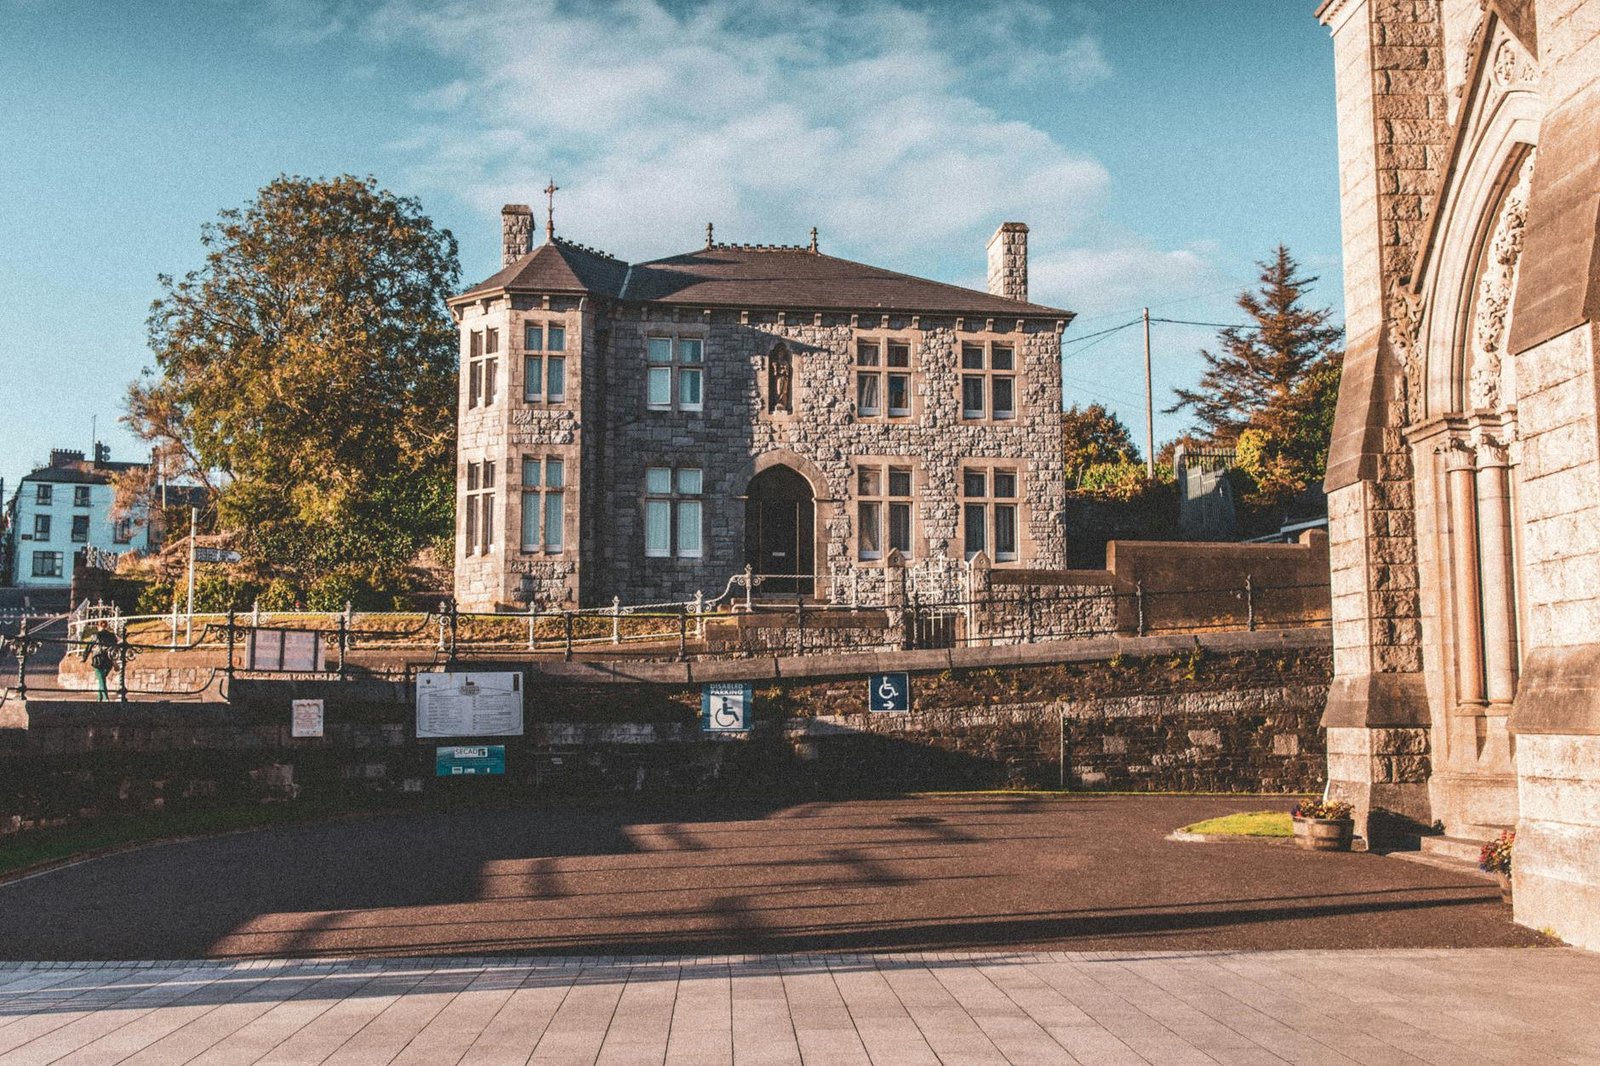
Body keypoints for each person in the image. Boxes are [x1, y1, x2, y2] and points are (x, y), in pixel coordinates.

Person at [81, 621, 119, 701]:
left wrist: (84, 658)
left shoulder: (96, 635)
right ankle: (99, 698)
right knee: (102, 679)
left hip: (98, 659)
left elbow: (89, 647)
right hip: (109, 660)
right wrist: (115, 662)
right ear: (107, 626)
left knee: (101, 679)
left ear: (98, 626)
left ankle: (105, 698)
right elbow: (115, 648)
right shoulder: (112, 636)